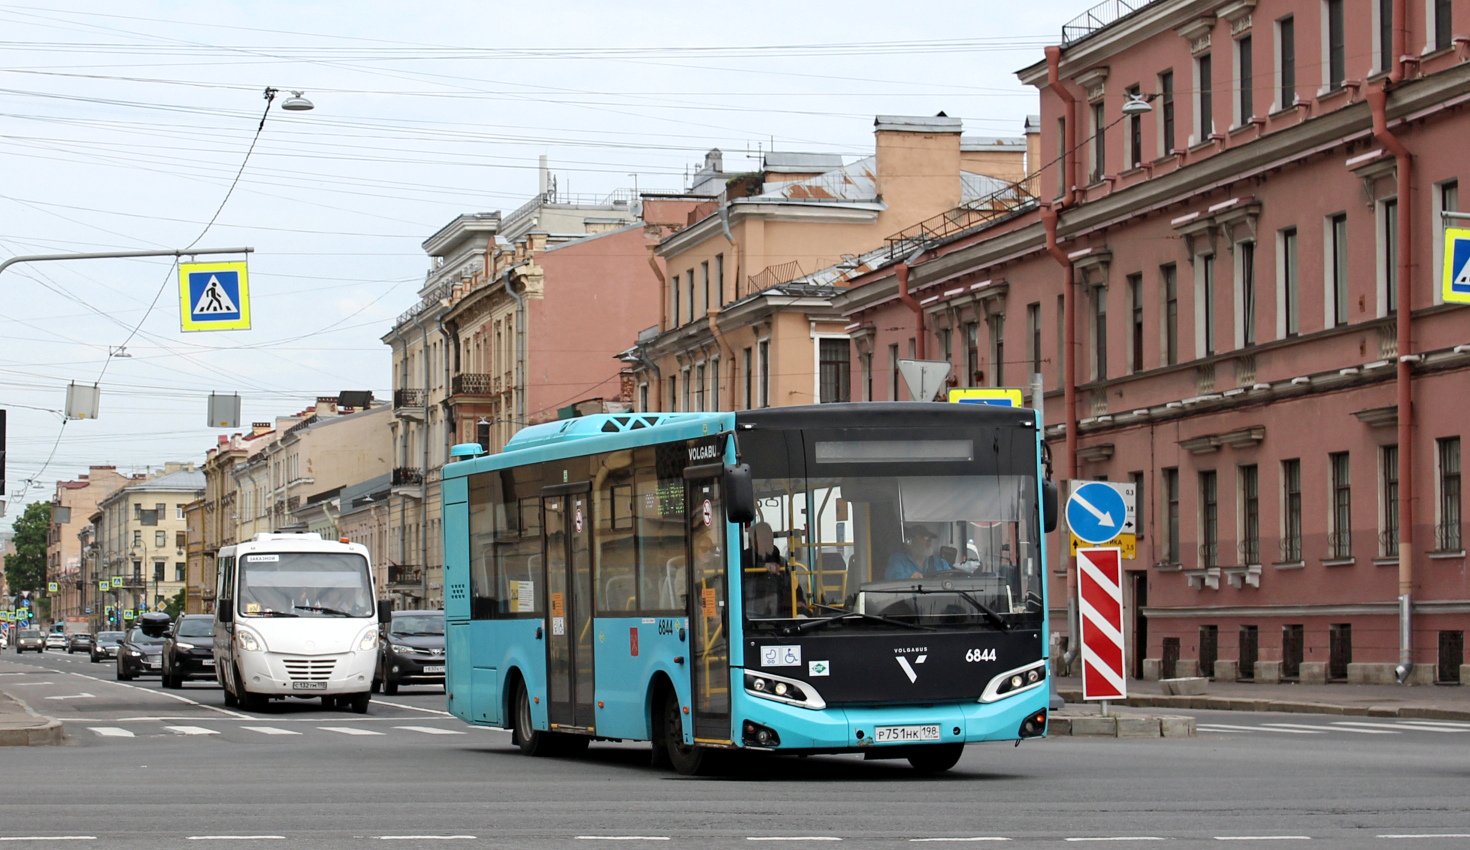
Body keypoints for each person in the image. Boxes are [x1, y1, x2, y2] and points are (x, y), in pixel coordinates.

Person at [742, 521, 803, 617]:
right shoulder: (744, 559)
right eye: (763, 538)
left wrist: (799, 600)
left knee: (805, 614)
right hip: (753, 613)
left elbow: (791, 584)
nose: (768, 541)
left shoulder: (781, 561)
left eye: (770, 537)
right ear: (753, 541)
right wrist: (763, 566)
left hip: (781, 611)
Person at [885, 524, 953, 580]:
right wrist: (909, 577)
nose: (929, 541)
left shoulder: (939, 562)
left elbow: (952, 576)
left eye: (930, 538)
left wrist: (951, 575)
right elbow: (891, 578)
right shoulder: (898, 560)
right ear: (910, 542)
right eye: (924, 537)